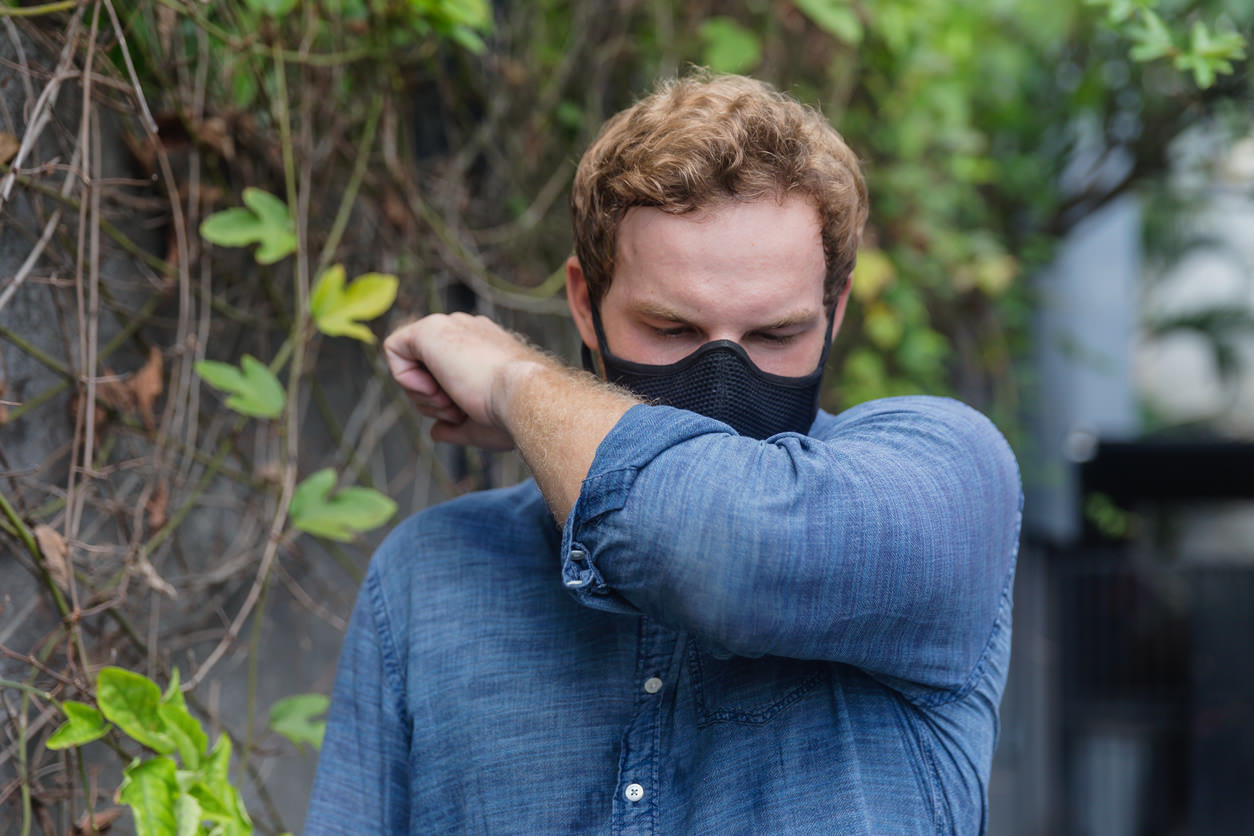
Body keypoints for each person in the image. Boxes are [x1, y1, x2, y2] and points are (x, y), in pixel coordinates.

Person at [305, 73, 1022, 835]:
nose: (721, 381)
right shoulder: (433, 572)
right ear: (585, 302)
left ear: (834, 310)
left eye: (775, 335)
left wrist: (518, 385)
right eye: (671, 329)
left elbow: (733, 544)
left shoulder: (946, 480)